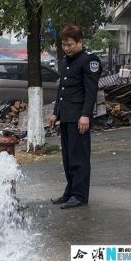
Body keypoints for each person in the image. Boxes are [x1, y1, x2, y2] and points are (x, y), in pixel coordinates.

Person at [49, 24, 101, 209]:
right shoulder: (66, 61)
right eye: (64, 44)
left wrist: (85, 115)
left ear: (80, 42)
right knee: (68, 157)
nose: (66, 48)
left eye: (70, 44)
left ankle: (79, 195)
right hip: (66, 116)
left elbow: (91, 91)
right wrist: (56, 112)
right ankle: (70, 192)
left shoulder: (89, 61)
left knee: (79, 158)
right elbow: (61, 90)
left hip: (79, 117)